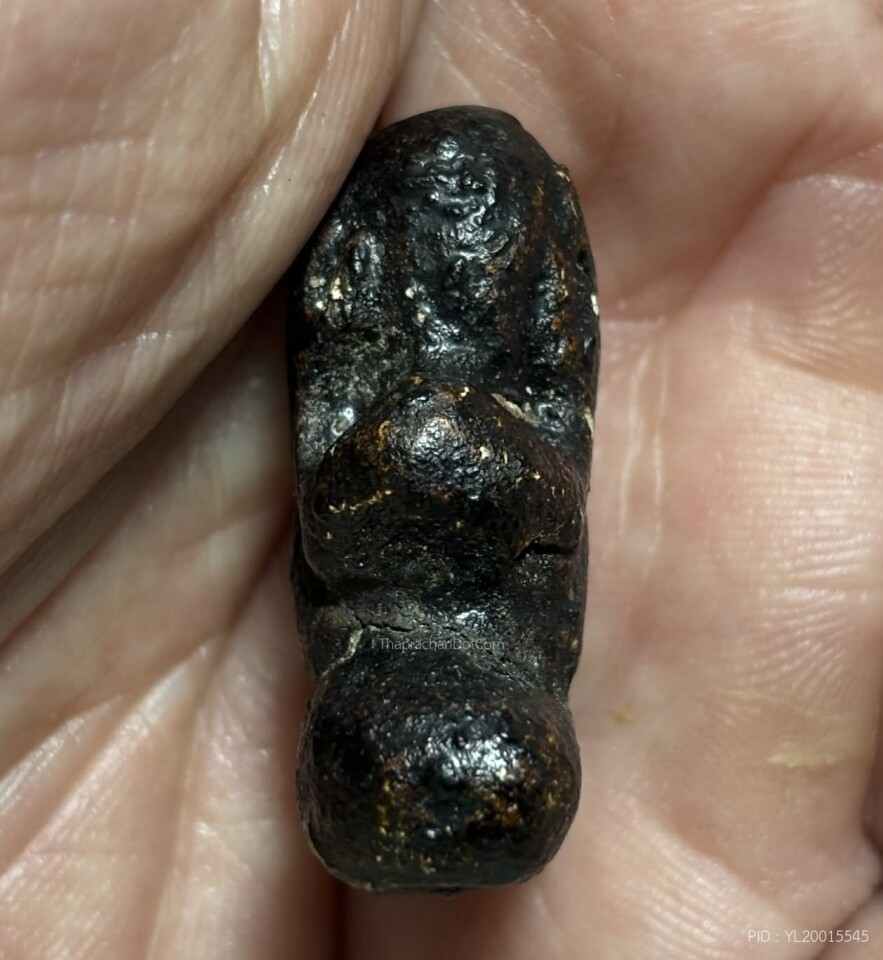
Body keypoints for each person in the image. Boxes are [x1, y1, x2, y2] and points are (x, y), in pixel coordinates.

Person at [0, 1, 880, 957]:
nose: (455, 287)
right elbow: (349, 487)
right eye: (436, 256)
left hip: (466, 625)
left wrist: (451, 457)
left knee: (488, 753)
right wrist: (422, 457)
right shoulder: (368, 321)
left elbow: (541, 482)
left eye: (484, 265)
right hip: (403, 620)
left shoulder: (513, 364)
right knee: (417, 735)